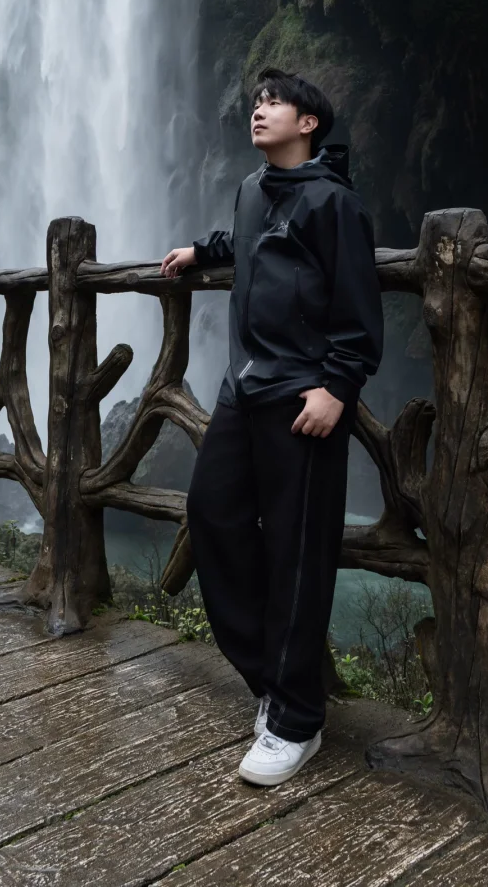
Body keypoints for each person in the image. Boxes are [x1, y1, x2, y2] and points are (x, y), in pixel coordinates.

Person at [161, 67, 383, 786]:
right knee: (212, 515)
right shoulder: (254, 188)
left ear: (309, 122)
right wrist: (204, 250)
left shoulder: (335, 204)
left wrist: (337, 389)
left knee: (296, 552)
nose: (259, 111)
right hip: (243, 389)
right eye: (257, 102)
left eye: (275, 102)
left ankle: (296, 720)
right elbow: (252, 241)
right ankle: (274, 677)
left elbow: (357, 311)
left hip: (303, 401)